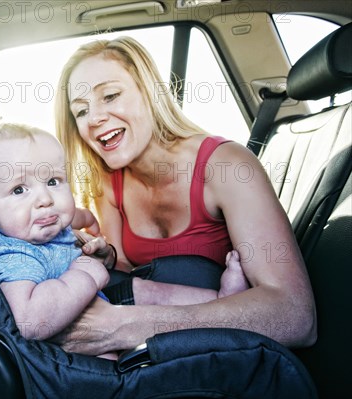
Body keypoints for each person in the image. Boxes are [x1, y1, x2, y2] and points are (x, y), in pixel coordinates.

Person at [53, 36, 317, 355]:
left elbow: (297, 317)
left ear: (150, 93)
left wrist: (131, 324)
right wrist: (104, 257)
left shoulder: (226, 166)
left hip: (236, 358)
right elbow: (122, 274)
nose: (94, 119)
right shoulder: (109, 182)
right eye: (81, 112)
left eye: (110, 95)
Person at [0, 122, 249, 353]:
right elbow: (30, 321)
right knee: (108, 357)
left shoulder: (40, 223)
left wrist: (86, 222)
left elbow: (76, 216)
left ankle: (220, 302)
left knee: (146, 290)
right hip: (70, 344)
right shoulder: (15, 257)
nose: (44, 199)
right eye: (19, 190)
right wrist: (86, 274)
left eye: (53, 182)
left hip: (96, 303)